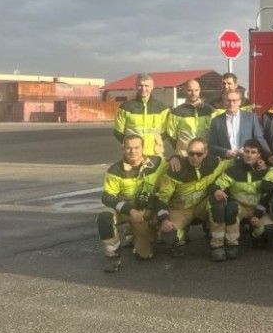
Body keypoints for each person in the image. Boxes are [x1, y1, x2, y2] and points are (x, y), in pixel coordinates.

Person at [96, 135, 168, 272]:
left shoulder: (158, 163)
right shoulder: (115, 170)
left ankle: (149, 230)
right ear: (123, 149)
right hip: (126, 211)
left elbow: (177, 164)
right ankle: (113, 257)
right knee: (104, 217)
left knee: (145, 255)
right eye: (128, 148)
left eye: (136, 147)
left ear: (142, 148)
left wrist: (176, 159)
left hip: (146, 211)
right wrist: (130, 210)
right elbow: (106, 196)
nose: (132, 151)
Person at [208, 139, 273, 260]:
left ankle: (255, 234)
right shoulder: (233, 170)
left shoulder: (267, 171)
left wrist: (258, 214)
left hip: (259, 209)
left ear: (259, 155)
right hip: (240, 208)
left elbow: (268, 195)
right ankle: (232, 244)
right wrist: (217, 190)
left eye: (253, 152)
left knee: (269, 230)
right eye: (247, 151)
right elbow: (217, 184)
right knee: (230, 207)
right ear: (242, 152)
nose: (249, 155)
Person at [152, 138, 226, 257]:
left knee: (218, 202)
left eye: (199, 154)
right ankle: (180, 236)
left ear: (205, 153)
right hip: (180, 210)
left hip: (200, 207)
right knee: (169, 235)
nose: (194, 157)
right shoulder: (175, 169)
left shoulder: (214, 163)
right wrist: (164, 219)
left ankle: (217, 245)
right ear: (186, 152)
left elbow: (232, 165)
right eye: (191, 153)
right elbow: (161, 198)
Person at [113, 73, 171, 157]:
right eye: (140, 85)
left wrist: (156, 144)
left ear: (152, 86)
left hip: (155, 154)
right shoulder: (125, 107)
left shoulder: (162, 108)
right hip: (133, 156)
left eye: (146, 86)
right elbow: (117, 132)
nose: (143, 89)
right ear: (136, 86)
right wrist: (131, 146)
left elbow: (166, 132)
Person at [208, 91, 272, 162]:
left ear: (240, 102)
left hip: (247, 161)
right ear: (224, 102)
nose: (231, 103)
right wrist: (225, 152)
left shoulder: (251, 118)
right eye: (228, 101)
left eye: (234, 101)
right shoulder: (216, 121)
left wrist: (269, 155)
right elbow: (211, 145)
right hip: (226, 162)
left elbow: (259, 139)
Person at [164, 79, 217, 157]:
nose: (193, 93)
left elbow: (215, 134)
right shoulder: (176, 112)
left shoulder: (210, 110)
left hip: (205, 156)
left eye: (196, 90)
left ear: (200, 90)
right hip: (184, 156)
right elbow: (171, 136)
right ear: (184, 91)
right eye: (190, 90)